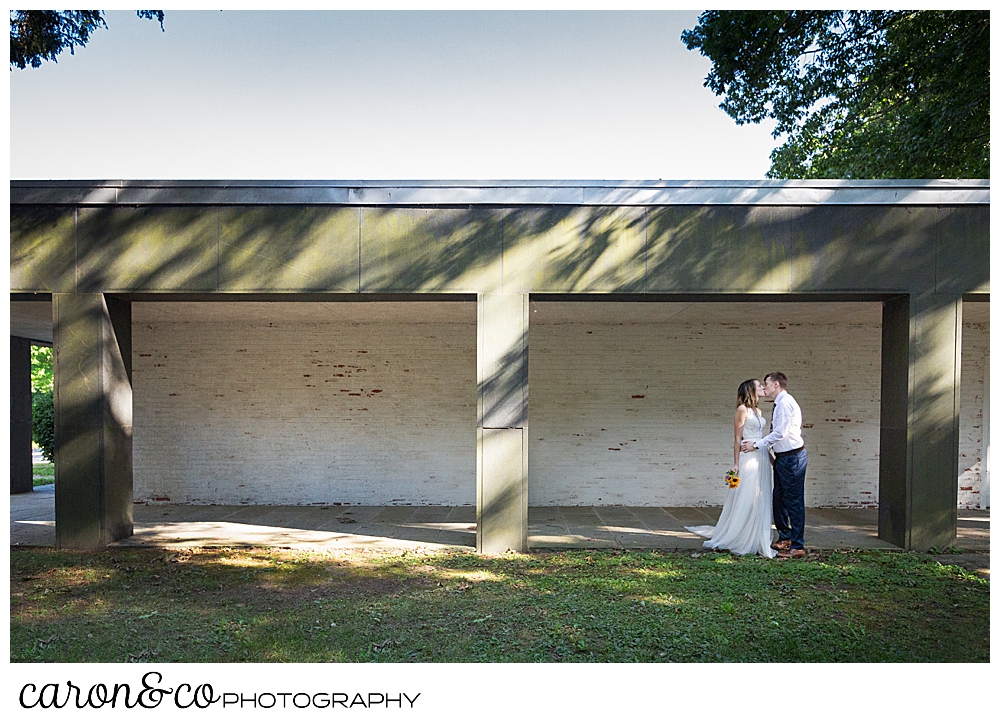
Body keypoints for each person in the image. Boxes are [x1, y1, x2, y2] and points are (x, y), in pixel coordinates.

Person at [686, 379, 775, 558]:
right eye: (759, 386)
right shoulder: (742, 410)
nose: (763, 388)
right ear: (751, 390)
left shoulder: (758, 410)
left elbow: (762, 437)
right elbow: (737, 438)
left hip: (761, 455)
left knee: (761, 494)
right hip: (748, 456)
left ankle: (757, 534)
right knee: (747, 494)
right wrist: (736, 463)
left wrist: (772, 459)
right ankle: (740, 535)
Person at [741, 372, 807, 559]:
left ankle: (797, 545)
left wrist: (756, 444)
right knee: (779, 498)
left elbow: (780, 433)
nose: (765, 387)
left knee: (793, 501)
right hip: (782, 457)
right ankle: (785, 537)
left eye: (766, 384)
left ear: (776, 384)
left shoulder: (785, 403)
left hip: (792, 458)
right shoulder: (779, 403)